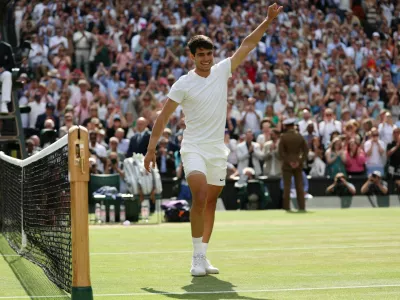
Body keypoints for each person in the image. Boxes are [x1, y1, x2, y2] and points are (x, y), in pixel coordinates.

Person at [144, 3, 283, 276]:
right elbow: (162, 118)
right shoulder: (182, 83)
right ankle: (195, 258)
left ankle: (204, 255)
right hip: (193, 147)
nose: (206, 58)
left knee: (210, 203)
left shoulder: (222, 70)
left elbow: (247, 44)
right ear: (192, 56)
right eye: (201, 54)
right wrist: (151, 150)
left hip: (217, 150)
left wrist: (267, 21)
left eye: (209, 53)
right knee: (200, 194)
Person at [278, 118, 309, 211]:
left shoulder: (283, 137)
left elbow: (281, 152)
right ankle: (302, 207)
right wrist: (299, 161)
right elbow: (306, 150)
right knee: (299, 186)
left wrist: (289, 161)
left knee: (287, 187)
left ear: (286, 126)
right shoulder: (299, 136)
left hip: (287, 165)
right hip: (298, 164)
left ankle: (287, 207)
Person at [0, 33, 15, 113]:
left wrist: (3, 68)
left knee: (8, 75)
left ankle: (4, 104)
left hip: (2, 73)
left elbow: (12, 64)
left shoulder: (6, 47)